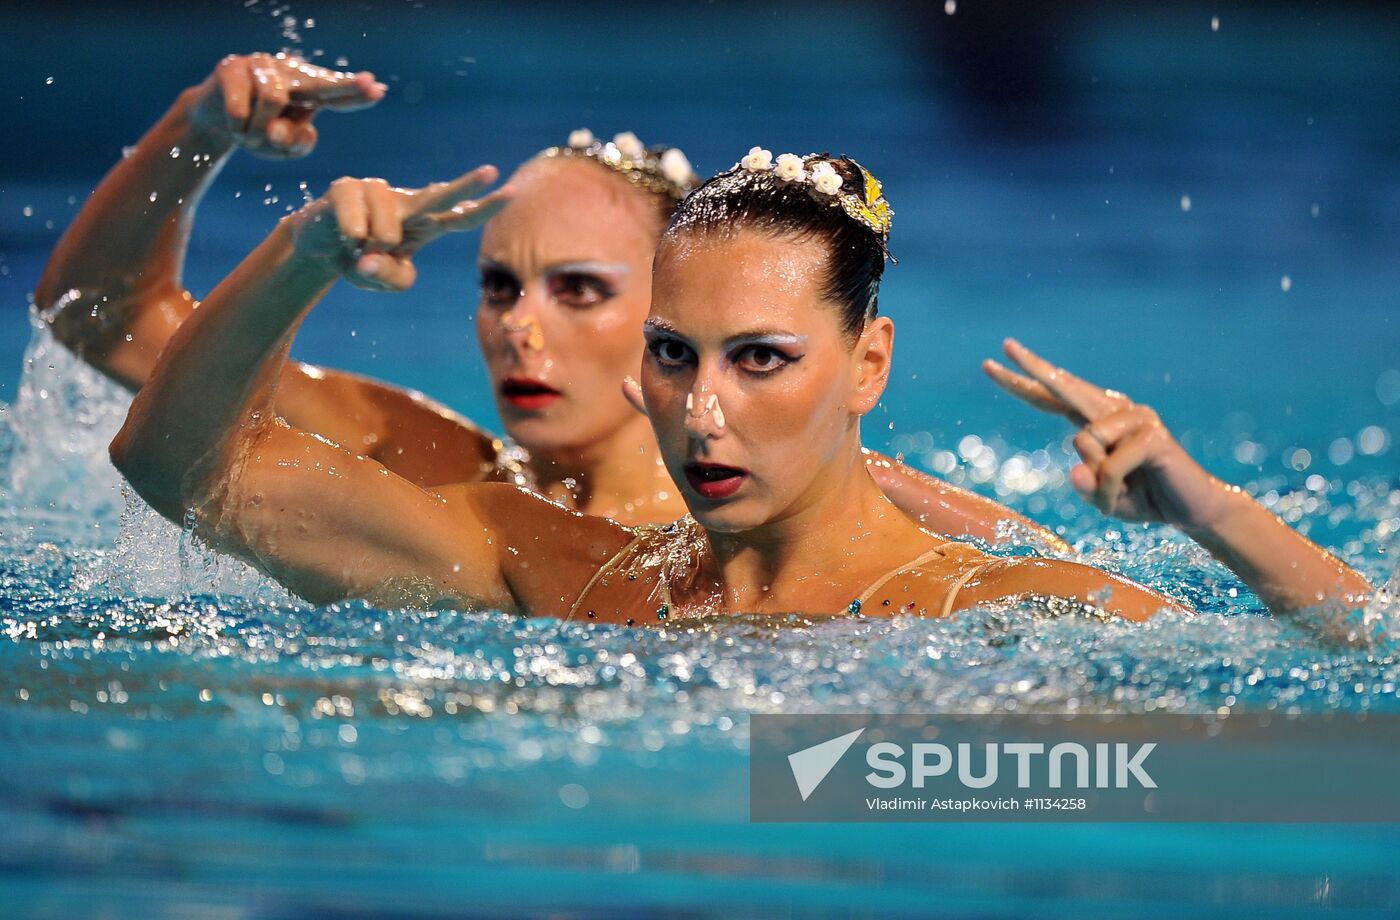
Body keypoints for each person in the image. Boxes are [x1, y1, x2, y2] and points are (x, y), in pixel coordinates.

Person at [108, 150, 1373, 631]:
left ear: (865, 365)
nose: (701, 409)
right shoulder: (563, 565)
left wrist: (1205, 507)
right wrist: (296, 260)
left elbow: (1345, 702)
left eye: (758, 358)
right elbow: (176, 470)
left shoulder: (985, 604)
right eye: (672, 353)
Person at [36, 53, 1050, 542]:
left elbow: (1033, 573)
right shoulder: (435, 462)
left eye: (578, 290)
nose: (520, 326)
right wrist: (200, 123)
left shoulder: (810, 495)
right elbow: (101, 316)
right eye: (498, 285)